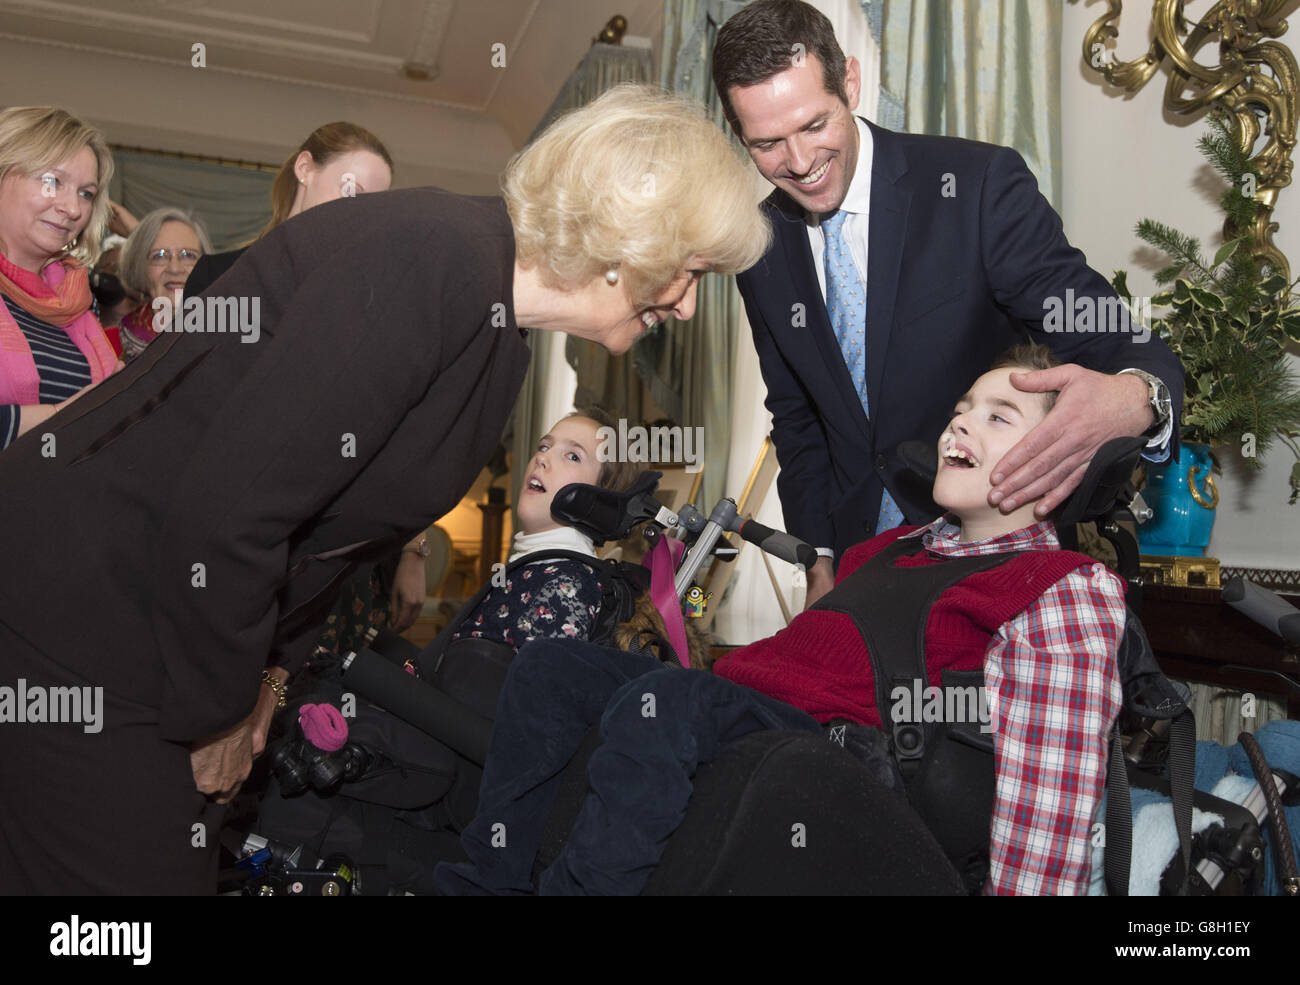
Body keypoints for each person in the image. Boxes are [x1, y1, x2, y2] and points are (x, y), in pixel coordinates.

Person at [0, 85, 770, 894]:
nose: (685, 305)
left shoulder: (499, 329)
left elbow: (321, 543)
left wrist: (266, 686)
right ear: (629, 237)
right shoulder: (430, 260)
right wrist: (218, 716)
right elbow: (234, 514)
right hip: (79, 600)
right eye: (688, 272)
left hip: (159, 612)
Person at [711, 0, 1182, 606]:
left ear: (850, 82)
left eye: (813, 126)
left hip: (992, 571)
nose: (799, 164)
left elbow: (1111, 335)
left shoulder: (976, 188)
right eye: (768, 143)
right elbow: (798, 419)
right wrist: (818, 555)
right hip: (858, 580)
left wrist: (1142, 397)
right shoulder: (760, 248)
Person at [715, 344, 1124, 894]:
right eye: (962, 408)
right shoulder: (883, 550)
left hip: (806, 784)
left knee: (648, 717)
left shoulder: (1059, 587)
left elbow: (1047, 805)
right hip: (731, 720)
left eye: (998, 416)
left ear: (1060, 463)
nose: (959, 422)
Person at [0, 106, 123, 452]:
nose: (73, 208)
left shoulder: (79, 300)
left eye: (86, 193)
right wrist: (62, 416)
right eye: (53, 181)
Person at [184, 121, 394, 296]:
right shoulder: (217, 277)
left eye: (371, 207)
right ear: (305, 168)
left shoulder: (356, 296)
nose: (358, 213)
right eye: (350, 190)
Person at [110, 207, 213, 358]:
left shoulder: (231, 339)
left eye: (188, 255)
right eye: (159, 256)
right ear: (141, 266)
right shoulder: (109, 345)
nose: (175, 268)